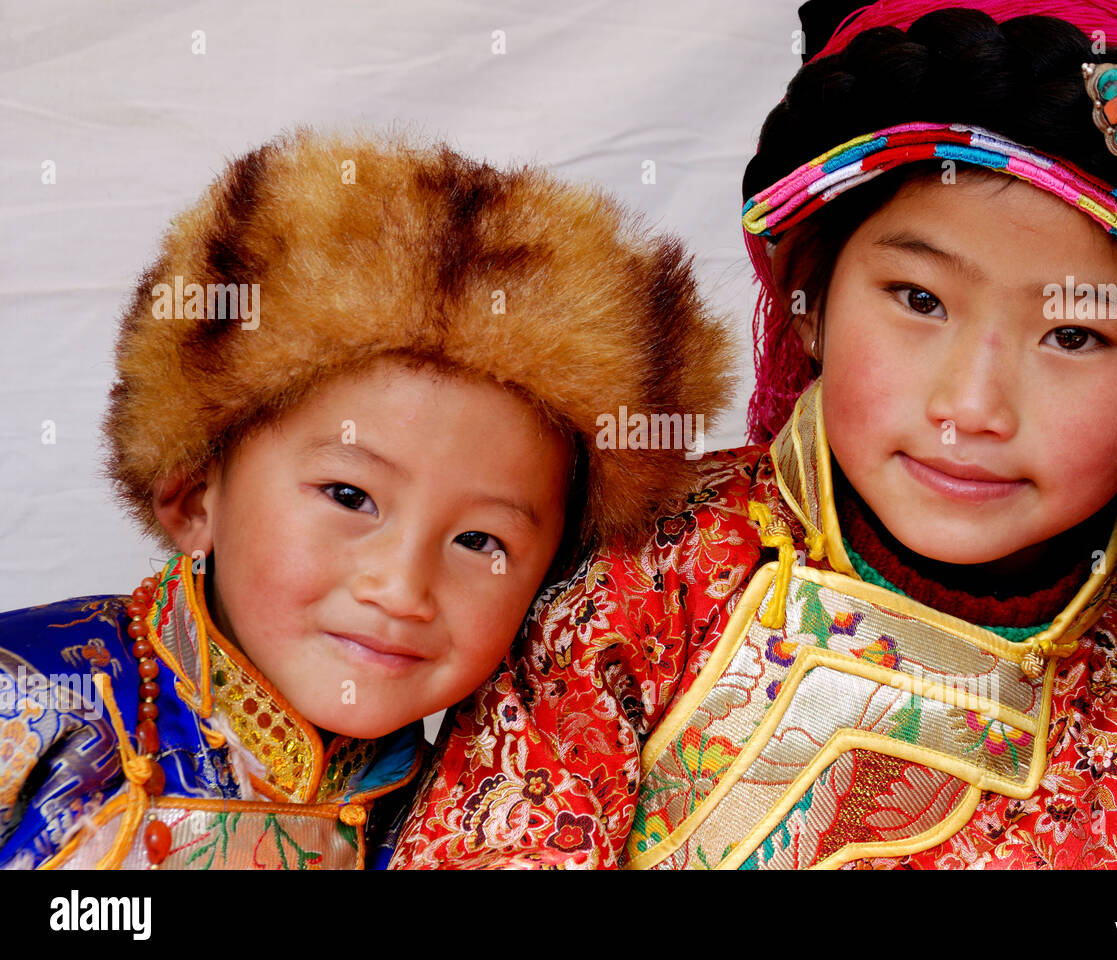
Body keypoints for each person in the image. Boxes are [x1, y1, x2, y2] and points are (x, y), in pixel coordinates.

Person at [390, 0, 1117, 870]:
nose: (973, 406)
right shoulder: (650, 559)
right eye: (920, 300)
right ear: (813, 306)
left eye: (1073, 336)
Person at [0, 129, 735, 869]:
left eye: (481, 542)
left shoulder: (480, 813)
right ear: (192, 495)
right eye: (351, 495)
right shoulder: (33, 696)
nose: (401, 588)